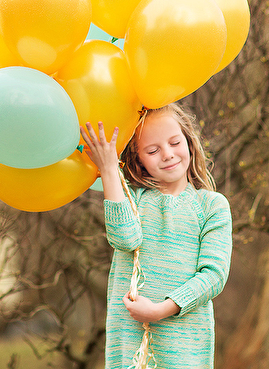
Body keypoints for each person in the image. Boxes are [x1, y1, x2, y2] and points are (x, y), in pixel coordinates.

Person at [80, 102, 232, 369]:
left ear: (189, 142)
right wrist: (109, 170)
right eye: (153, 150)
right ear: (139, 158)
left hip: (183, 347)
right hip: (130, 344)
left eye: (175, 143)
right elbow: (125, 239)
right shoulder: (133, 199)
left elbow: (214, 275)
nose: (168, 155)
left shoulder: (212, 206)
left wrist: (161, 310)